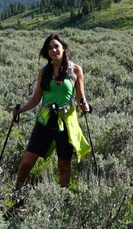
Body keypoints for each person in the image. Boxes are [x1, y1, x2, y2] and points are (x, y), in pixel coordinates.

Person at [11, 33, 91, 189]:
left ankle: (62, 198)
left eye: (56, 46)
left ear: (64, 48)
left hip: (66, 122)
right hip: (45, 120)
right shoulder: (44, 72)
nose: (54, 50)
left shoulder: (75, 70)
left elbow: (81, 97)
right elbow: (35, 99)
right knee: (27, 161)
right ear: (46, 52)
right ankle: (16, 191)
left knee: (64, 165)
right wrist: (20, 111)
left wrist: (84, 106)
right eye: (50, 48)